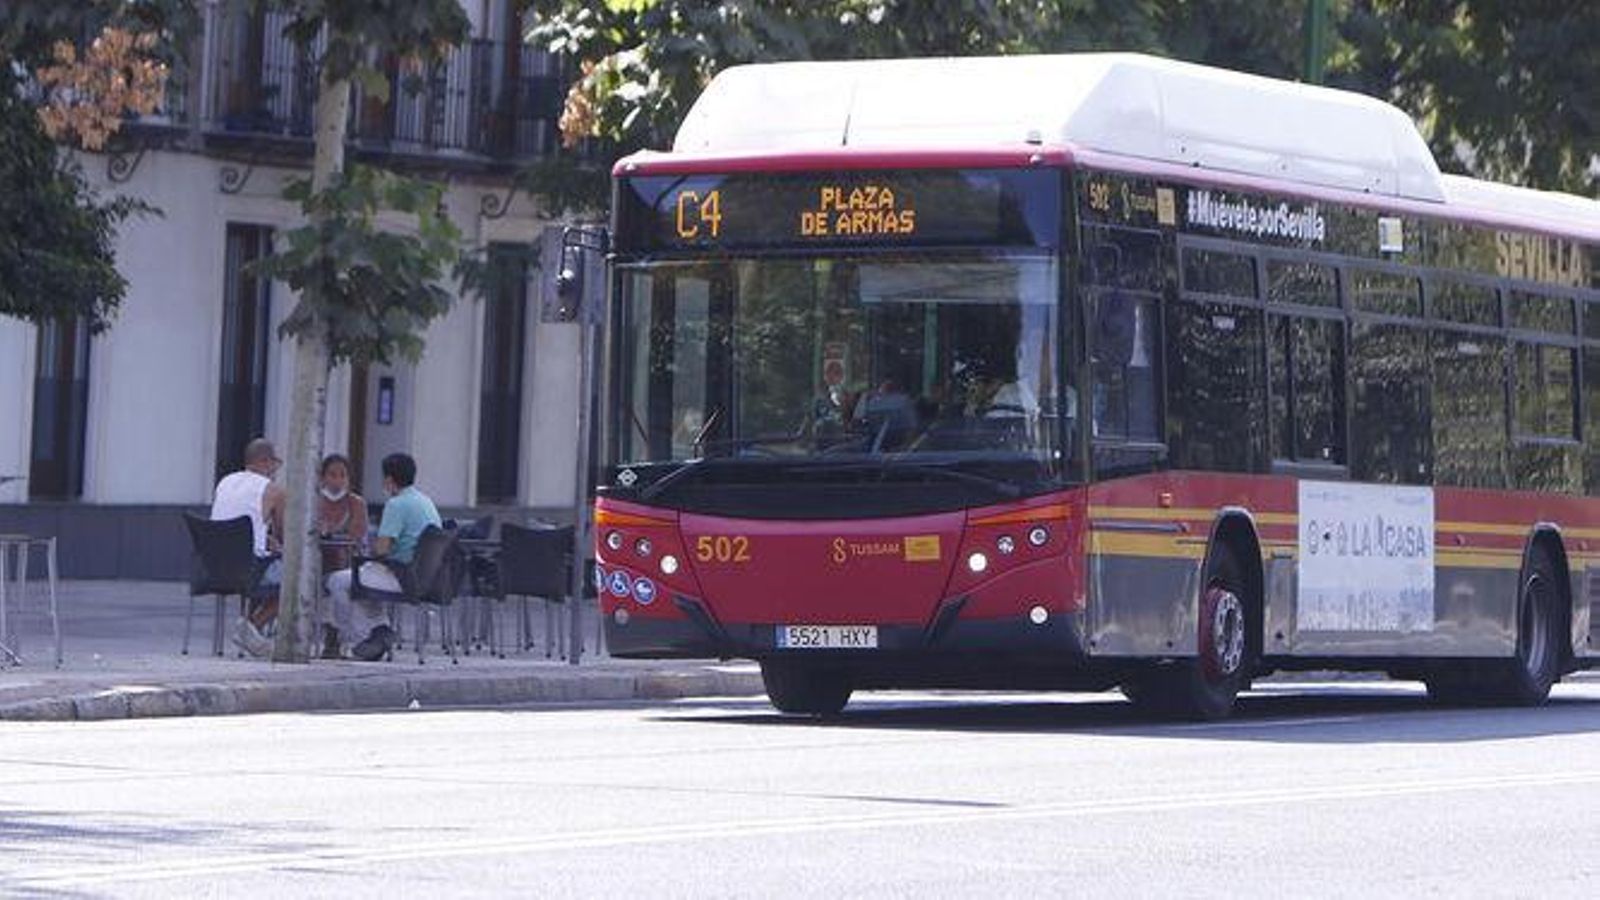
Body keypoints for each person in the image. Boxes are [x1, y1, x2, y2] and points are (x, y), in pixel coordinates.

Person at [324, 452, 441, 662]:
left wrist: (370, 553)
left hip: (400, 574)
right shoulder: (426, 502)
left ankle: (358, 639)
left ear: (388, 480)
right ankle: (380, 628)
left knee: (338, 581)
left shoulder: (396, 504)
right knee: (361, 582)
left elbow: (382, 549)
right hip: (423, 576)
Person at [209, 437, 285, 657]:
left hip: (213, 568)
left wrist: (263, 539)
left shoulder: (224, 482)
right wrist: (273, 542)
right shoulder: (273, 490)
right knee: (293, 580)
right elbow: (284, 537)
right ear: (265, 461)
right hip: (249, 571)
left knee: (266, 564)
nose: (275, 469)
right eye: (275, 463)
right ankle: (251, 626)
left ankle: (249, 629)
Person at [313, 453, 368, 659]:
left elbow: (355, 537)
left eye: (342, 475)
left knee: (336, 580)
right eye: (332, 475)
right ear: (322, 477)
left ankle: (335, 635)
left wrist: (331, 534)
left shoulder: (356, 504)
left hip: (346, 564)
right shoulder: (314, 502)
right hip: (316, 563)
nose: (337, 481)